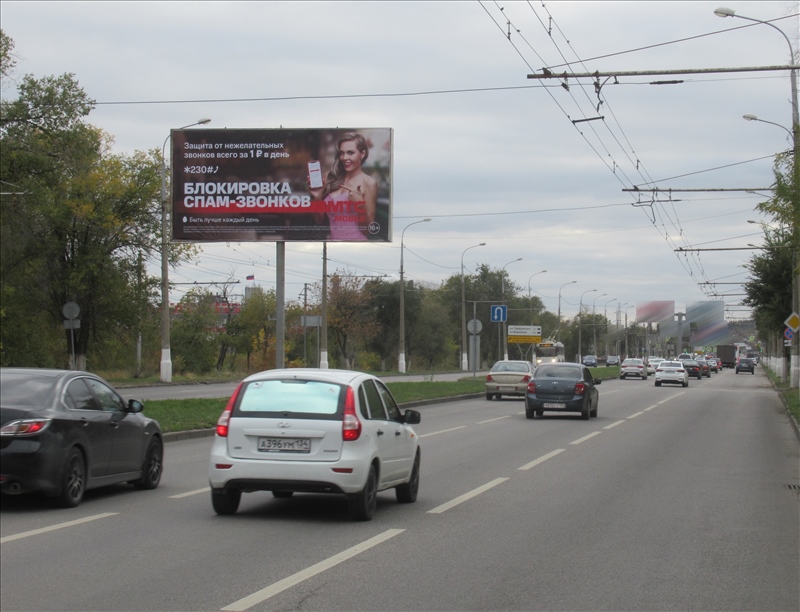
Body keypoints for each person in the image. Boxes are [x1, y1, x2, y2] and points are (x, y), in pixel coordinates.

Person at [309, 132, 377, 241]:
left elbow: (368, 230)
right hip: (333, 245)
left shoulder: (369, 183)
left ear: (362, 154)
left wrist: (360, 206)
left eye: (350, 153)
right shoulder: (329, 178)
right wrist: (317, 197)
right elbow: (319, 220)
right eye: (342, 153)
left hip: (357, 247)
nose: (344, 158)